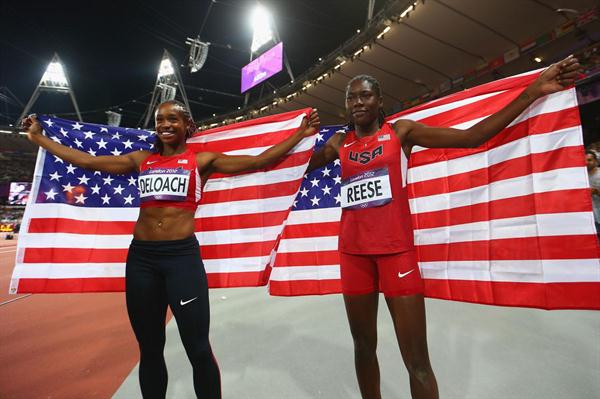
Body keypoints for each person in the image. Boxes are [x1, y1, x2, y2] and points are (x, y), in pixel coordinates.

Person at [306, 55, 580, 399]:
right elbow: (293, 168)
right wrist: (298, 135)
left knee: (417, 360)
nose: (358, 102)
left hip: (396, 255)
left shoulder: (400, 132)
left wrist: (534, 90)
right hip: (353, 256)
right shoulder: (338, 145)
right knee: (363, 348)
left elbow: (473, 137)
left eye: (365, 96)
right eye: (351, 97)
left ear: (379, 102)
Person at [22, 101, 319, 399]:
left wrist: (299, 134)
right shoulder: (142, 160)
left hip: (182, 261)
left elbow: (259, 161)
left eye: (172, 119)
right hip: (141, 261)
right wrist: (39, 139)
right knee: (150, 350)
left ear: (187, 125)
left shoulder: (202, 160)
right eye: (160, 119)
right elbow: (87, 161)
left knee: (198, 349)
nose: (165, 124)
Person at [585, 149, 600, 238]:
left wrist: (596, 192)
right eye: (585, 160)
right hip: (592, 215)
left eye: (589, 160)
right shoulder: (582, 175)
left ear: (596, 161)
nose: (587, 162)